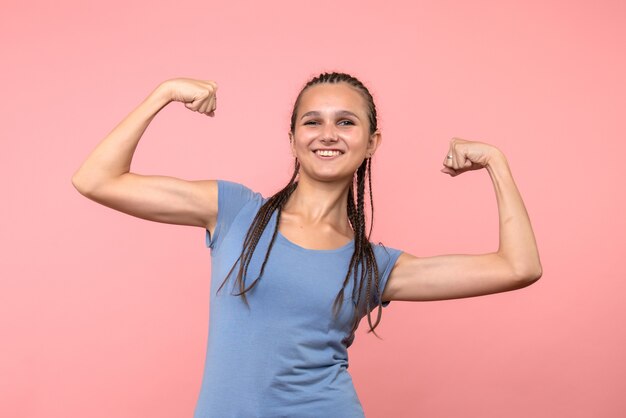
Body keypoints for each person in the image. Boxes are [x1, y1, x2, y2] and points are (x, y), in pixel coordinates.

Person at [72, 72, 542, 418]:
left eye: (346, 122)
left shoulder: (374, 267)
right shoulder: (235, 211)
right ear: (294, 138)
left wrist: (495, 162)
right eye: (312, 122)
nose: (328, 134)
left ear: (372, 142)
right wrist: (165, 93)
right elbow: (96, 179)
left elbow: (518, 267)